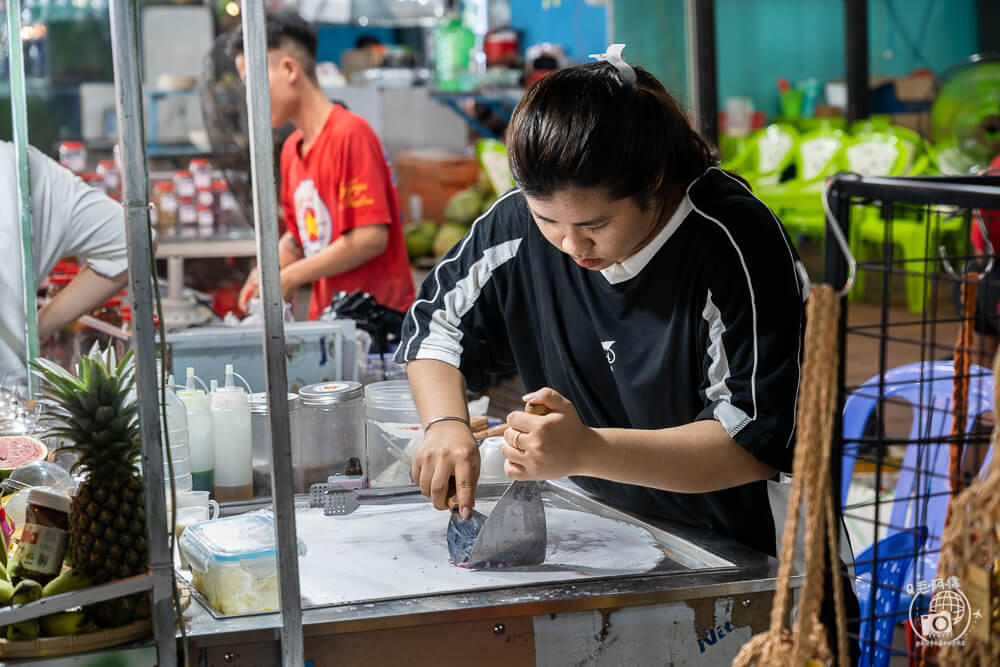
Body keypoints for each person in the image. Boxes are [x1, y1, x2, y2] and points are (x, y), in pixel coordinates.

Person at [395, 50, 859, 659]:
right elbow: (434, 326)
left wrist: (586, 449)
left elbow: (750, 441)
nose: (569, 245)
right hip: (611, 539)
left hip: (752, 561)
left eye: (593, 224)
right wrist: (446, 424)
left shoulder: (731, 242)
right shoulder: (519, 226)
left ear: (653, 183)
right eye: (547, 220)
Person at [229, 11, 415, 319]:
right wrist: (266, 271)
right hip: (331, 318)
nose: (250, 99)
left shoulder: (351, 134)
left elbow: (370, 238)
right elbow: (300, 237)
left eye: (251, 82)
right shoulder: (292, 149)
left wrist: (288, 278)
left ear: (289, 69)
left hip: (378, 324)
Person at [0, 141, 129, 389]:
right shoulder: (23, 167)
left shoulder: (25, 169)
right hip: (13, 404)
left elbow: (132, 241)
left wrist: (40, 325)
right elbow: (134, 241)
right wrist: (39, 326)